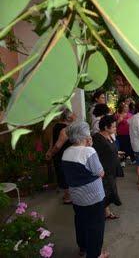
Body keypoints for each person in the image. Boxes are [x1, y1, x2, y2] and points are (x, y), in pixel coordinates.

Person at [61, 121, 108, 258]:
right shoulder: (89, 151)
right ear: (84, 135)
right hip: (93, 197)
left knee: (81, 221)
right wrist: (90, 147)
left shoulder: (66, 152)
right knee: (96, 226)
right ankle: (95, 254)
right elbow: (100, 172)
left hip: (76, 196)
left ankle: (83, 248)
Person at [92, 115, 122, 220]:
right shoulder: (97, 138)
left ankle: (106, 212)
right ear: (105, 127)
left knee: (109, 192)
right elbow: (95, 157)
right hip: (105, 171)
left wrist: (117, 153)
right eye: (113, 127)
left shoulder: (109, 136)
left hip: (111, 169)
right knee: (108, 192)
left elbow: (109, 149)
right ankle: (102, 213)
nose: (115, 129)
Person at [46, 108, 76, 204]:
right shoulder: (65, 129)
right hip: (63, 156)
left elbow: (52, 140)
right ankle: (68, 197)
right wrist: (51, 152)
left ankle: (67, 195)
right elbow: (58, 145)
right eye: (73, 114)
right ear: (68, 117)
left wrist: (49, 150)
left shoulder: (56, 126)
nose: (75, 115)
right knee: (65, 175)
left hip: (59, 156)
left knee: (62, 174)